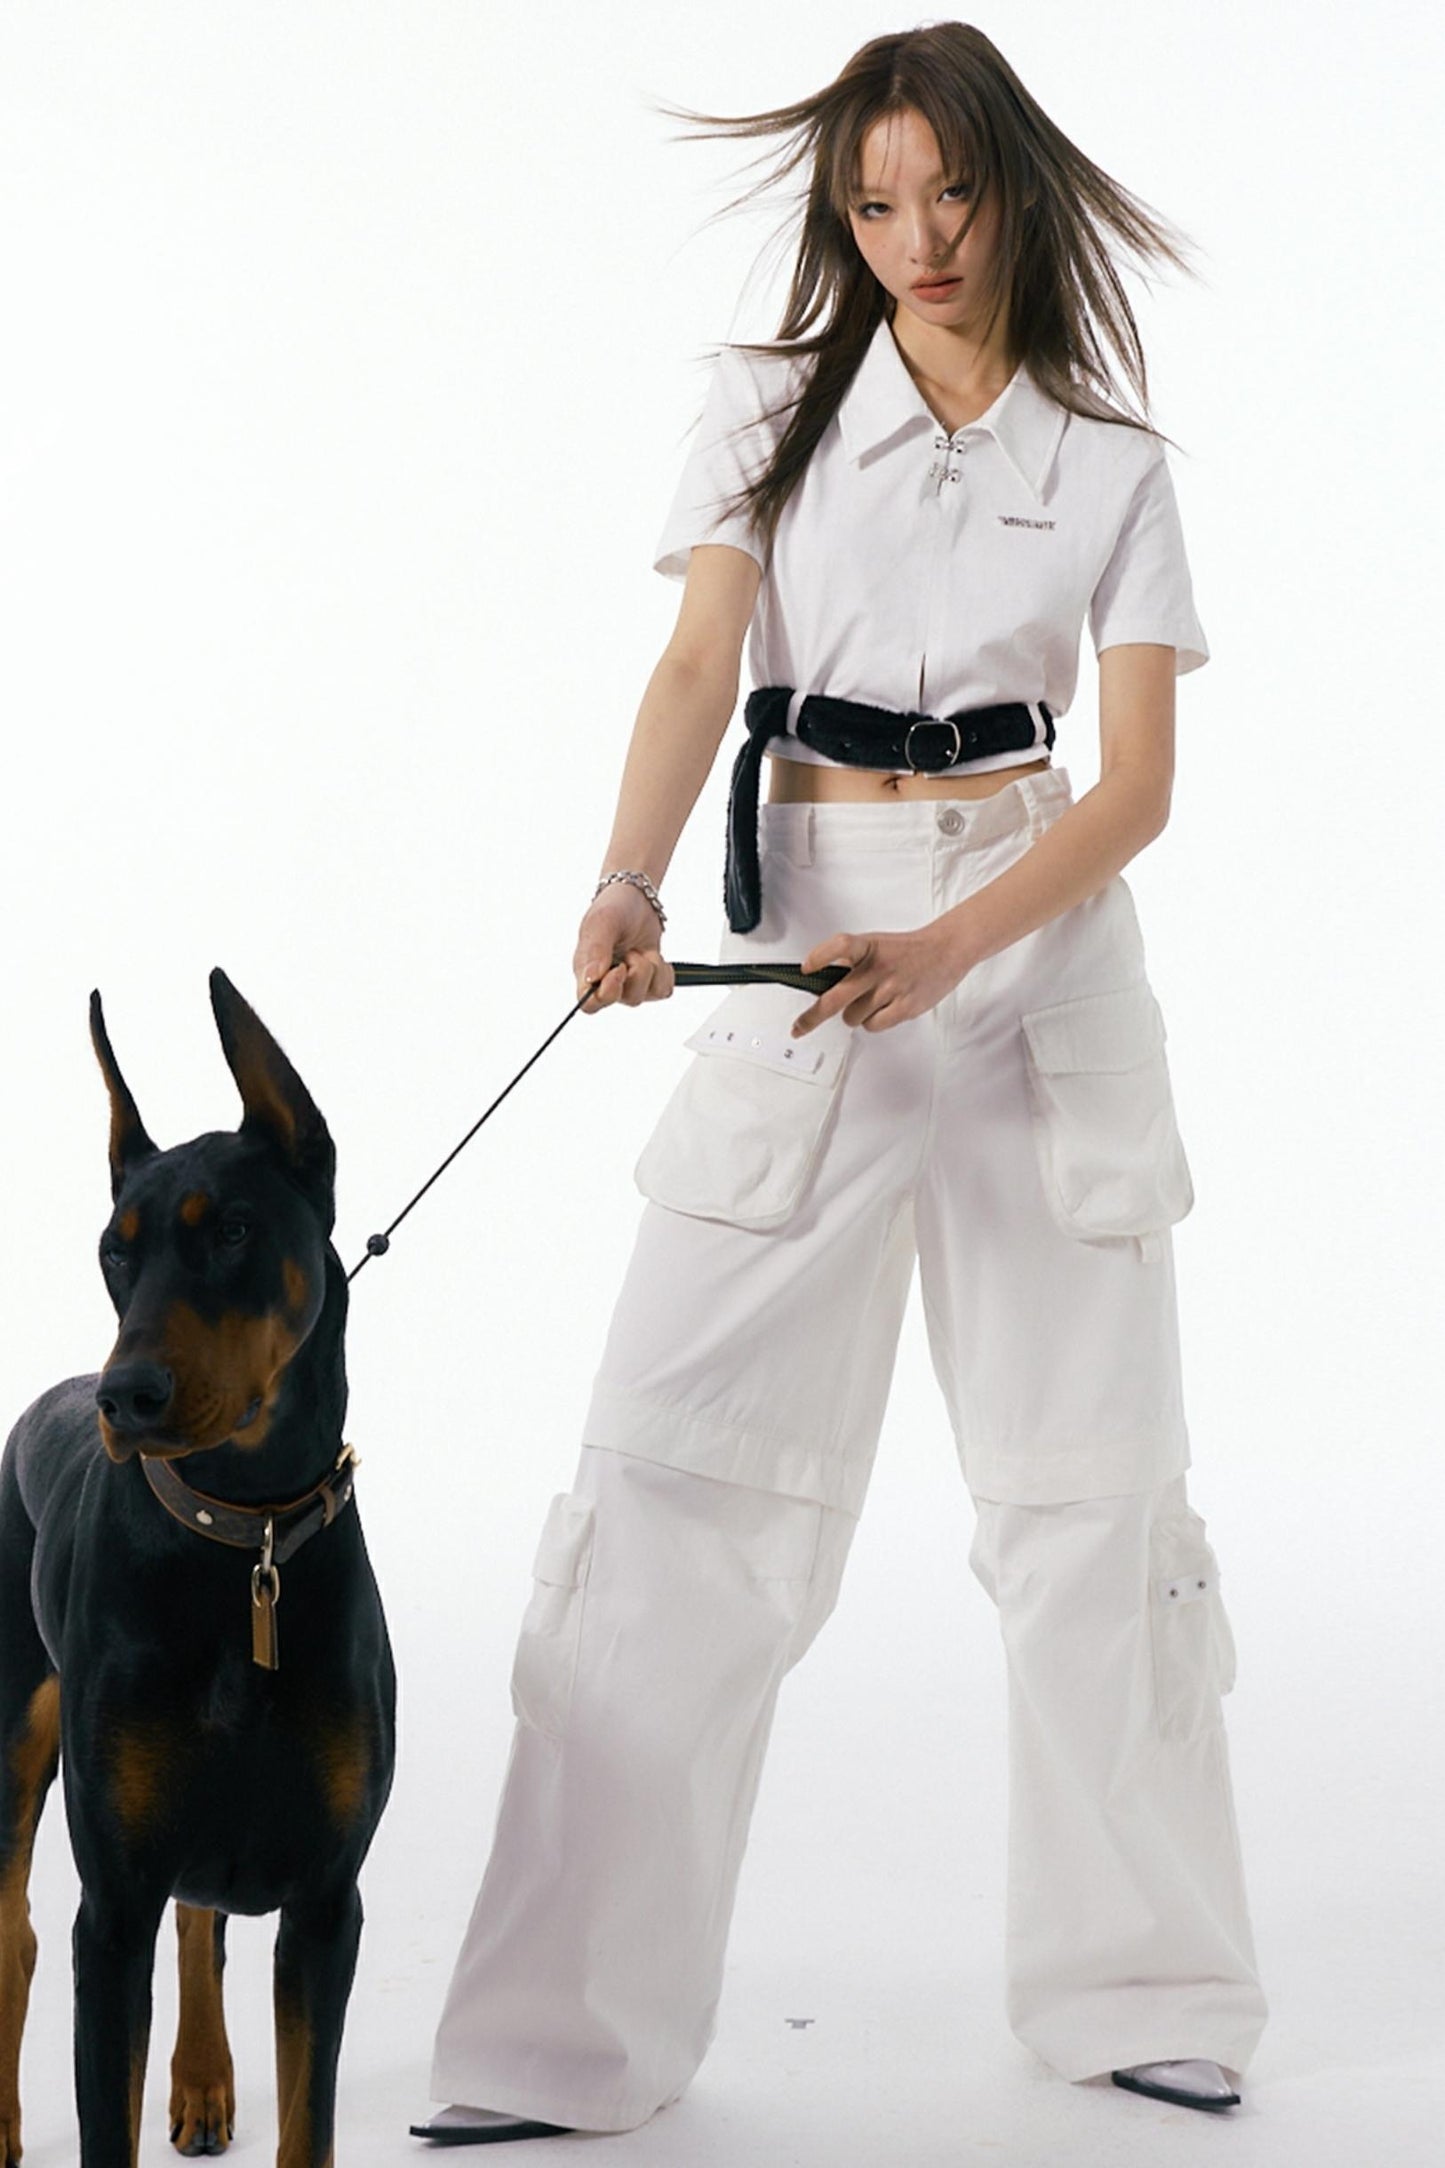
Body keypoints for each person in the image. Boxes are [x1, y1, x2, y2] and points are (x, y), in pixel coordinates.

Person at [411, 20, 1268, 2146]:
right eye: (874, 202)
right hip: (801, 952)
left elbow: (1136, 789)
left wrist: (958, 944)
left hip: (1035, 957)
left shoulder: (1113, 463)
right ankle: (552, 2045)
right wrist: (622, 877)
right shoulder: (762, 410)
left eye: (949, 191)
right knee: (667, 1489)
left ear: (1012, 187)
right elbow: (698, 666)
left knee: (1093, 1505)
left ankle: (1144, 1995)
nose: (917, 237)